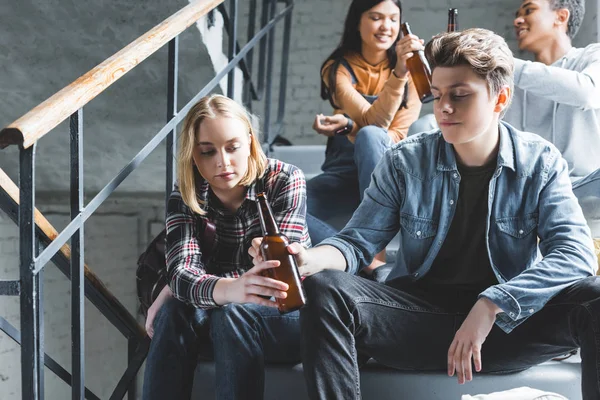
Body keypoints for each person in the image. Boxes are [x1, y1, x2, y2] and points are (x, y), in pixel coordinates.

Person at [250, 29, 600, 399]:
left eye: (460, 95)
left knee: (595, 296)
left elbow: (575, 255)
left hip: (504, 327)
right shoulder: (405, 160)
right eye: (437, 95)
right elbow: (356, 244)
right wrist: (306, 259)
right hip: (417, 322)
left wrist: (493, 302)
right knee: (324, 287)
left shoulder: (539, 162)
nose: (443, 107)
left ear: (501, 98)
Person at [142, 94, 311, 400]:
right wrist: (228, 287)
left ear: (250, 143)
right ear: (193, 155)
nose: (223, 162)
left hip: (283, 317)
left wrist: (210, 285)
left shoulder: (285, 180)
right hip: (217, 314)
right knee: (174, 310)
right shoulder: (185, 194)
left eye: (233, 147)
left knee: (232, 313)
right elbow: (181, 272)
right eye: (208, 152)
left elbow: (279, 277)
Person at [307, 0, 422, 272]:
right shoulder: (337, 69)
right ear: (358, 22)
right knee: (285, 202)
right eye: (376, 17)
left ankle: (374, 251)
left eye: (394, 19)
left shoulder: (413, 72)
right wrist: (351, 127)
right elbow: (376, 120)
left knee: (371, 136)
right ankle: (354, 255)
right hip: (344, 172)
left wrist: (349, 126)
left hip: (388, 177)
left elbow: (389, 136)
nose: (387, 27)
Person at [504, 0, 600, 238]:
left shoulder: (592, 57)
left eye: (529, 10)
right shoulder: (511, 82)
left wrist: (504, 63)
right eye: (517, 14)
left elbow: (586, 92)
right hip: (531, 199)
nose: (517, 20)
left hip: (586, 193)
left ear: (561, 16)